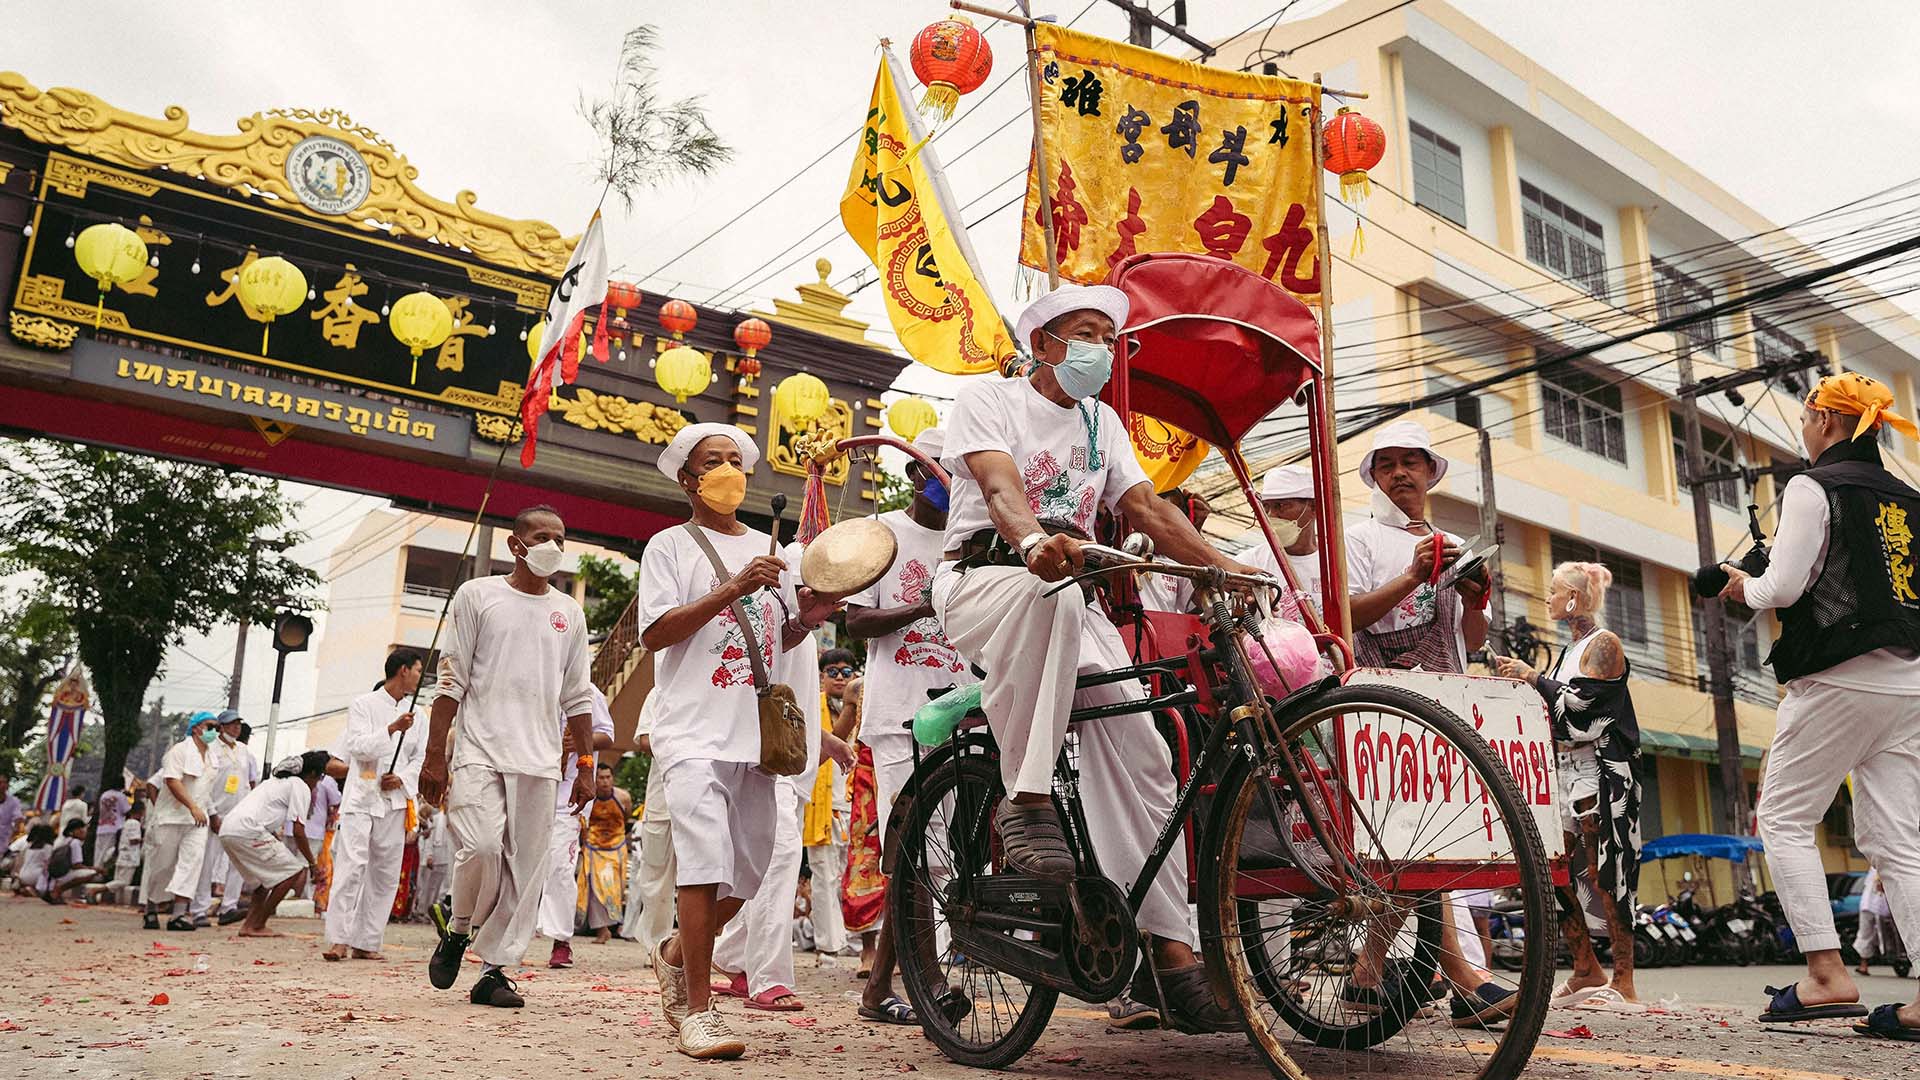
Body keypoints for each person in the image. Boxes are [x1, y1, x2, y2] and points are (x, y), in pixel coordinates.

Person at [933, 283, 1264, 1030]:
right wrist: (1029, 543)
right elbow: (999, 486)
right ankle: (1026, 798)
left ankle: (1169, 959)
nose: (1098, 350)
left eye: (1108, 338)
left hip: (1069, 597)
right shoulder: (988, 399)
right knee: (1049, 597)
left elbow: (1146, 510)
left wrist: (1223, 564)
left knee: (1142, 755)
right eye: (1083, 334)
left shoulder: (1102, 421)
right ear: (1042, 343)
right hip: (985, 580)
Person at [1719, 373, 1920, 1038]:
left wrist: (1738, 587)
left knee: (1781, 816)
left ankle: (1827, 975)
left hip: (1837, 678)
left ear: (1827, 422)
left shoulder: (1813, 487)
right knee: (1898, 840)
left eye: (1807, 419)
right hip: (1909, 682)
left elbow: (1781, 587)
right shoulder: (1910, 497)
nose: (1803, 430)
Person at [638, 422, 836, 1058]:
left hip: (756, 735)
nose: (728, 470)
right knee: (703, 863)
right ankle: (699, 1011)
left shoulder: (771, 549)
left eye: (735, 460)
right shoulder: (669, 546)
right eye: (712, 462)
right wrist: (732, 588)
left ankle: (675, 953)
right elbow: (656, 634)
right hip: (692, 730)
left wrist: (808, 615)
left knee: (749, 871)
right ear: (688, 480)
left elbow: (781, 639)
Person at [1341, 421, 1516, 1028]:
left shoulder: (1452, 542)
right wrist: (1413, 577)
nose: (1400, 474)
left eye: (1410, 462)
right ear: (1374, 477)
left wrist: (1474, 598)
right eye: (1386, 464)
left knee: (1421, 841)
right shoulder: (1359, 539)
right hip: (1381, 705)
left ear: (1429, 472)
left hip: (1447, 706)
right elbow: (1346, 616)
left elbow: (1472, 638)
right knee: (1418, 841)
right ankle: (1466, 979)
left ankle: (1367, 971)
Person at [419, 505, 597, 1010]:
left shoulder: (570, 613)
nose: (553, 546)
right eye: (541, 536)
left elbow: (578, 696)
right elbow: (450, 678)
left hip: (541, 760)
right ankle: (457, 931)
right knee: (480, 847)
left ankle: (493, 972)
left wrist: (584, 766)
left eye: (560, 537)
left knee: (526, 871)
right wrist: (435, 754)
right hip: (480, 749)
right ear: (515, 545)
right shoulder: (478, 596)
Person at [845, 427, 974, 1023]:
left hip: (967, 710)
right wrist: (929, 604)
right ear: (914, 474)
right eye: (937, 470)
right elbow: (857, 622)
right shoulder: (885, 535)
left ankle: (879, 990)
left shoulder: (970, 537)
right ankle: (933, 984)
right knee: (920, 853)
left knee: (935, 855)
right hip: (901, 716)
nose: (948, 482)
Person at [1494, 561, 1642, 1005]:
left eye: (1554, 591)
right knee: (1552, 868)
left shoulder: (1605, 645)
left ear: (1575, 598)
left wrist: (1533, 678)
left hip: (1601, 769)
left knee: (1607, 872)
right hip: (1564, 770)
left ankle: (1625, 980)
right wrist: (1525, 682)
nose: (1549, 599)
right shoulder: (1568, 651)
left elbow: (1583, 713)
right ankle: (1585, 968)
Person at [324, 647, 428, 962]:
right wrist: (392, 729)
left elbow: (419, 757)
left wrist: (403, 778)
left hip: (395, 802)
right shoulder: (363, 705)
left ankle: (367, 941)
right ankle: (338, 939)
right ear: (403, 671)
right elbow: (356, 746)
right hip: (363, 798)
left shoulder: (420, 715)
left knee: (384, 873)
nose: (420, 676)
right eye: (418, 670)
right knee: (352, 866)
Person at [537, 685, 616, 968]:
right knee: (520, 864)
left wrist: (578, 743)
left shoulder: (588, 692)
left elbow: (607, 735)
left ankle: (561, 941)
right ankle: (504, 937)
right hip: (533, 785)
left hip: (569, 795)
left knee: (560, 866)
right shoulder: (538, 682)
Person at [220, 751, 330, 937]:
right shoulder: (299, 786)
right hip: (248, 830)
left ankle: (249, 926)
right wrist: (312, 863)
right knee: (292, 871)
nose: (317, 784)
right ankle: (258, 924)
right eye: (319, 778)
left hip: (229, 829)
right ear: (312, 774)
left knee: (263, 881)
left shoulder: (273, 783)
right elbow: (298, 831)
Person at [141, 711, 224, 931]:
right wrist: (192, 807)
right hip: (171, 817)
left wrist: (209, 813)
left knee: (192, 862)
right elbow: (171, 781)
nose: (214, 731)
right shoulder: (179, 751)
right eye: (210, 726)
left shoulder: (213, 757)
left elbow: (205, 790)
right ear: (196, 728)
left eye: (217, 727)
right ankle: (150, 908)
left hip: (197, 820)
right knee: (162, 866)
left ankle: (178, 915)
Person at [619, 692, 676, 952]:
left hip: (707, 797)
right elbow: (645, 740)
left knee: (703, 877)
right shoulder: (659, 692)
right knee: (655, 876)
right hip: (662, 800)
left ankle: (696, 948)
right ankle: (656, 946)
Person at [190, 711, 254, 927]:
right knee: (207, 861)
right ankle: (199, 909)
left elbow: (248, 782)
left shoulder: (244, 750)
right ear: (221, 727)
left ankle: (229, 906)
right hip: (215, 812)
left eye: (238, 724)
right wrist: (212, 813)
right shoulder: (211, 749)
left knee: (237, 861)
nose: (235, 728)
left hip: (238, 813)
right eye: (231, 724)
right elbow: (205, 784)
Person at [576, 762, 631, 946]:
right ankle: (602, 930)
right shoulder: (588, 798)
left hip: (616, 847)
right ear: (595, 780)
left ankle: (610, 927)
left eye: (608, 777)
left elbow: (626, 817)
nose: (605, 782)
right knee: (592, 890)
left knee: (612, 889)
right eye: (601, 778)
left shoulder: (623, 797)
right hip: (593, 847)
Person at [1854, 867, 1897, 975]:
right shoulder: (1878, 868)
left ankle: (1865, 964)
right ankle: (1864, 965)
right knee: (1867, 934)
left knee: (1872, 934)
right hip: (1872, 906)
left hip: (1878, 907)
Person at [94, 784, 130, 875]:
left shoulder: (104, 795)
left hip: (101, 826)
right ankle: (104, 872)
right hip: (115, 827)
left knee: (99, 852)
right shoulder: (120, 796)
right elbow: (126, 810)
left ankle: (96, 871)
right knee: (109, 853)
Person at [13, 823, 57, 897]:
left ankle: (25, 887)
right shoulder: (47, 847)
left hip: (22, 875)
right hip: (35, 876)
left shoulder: (29, 845)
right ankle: (35, 891)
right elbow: (48, 864)